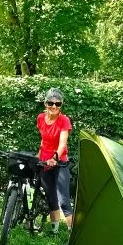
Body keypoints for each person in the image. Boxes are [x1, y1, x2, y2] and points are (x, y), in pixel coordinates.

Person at [37, 87, 73, 234]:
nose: (54, 106)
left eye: (58, 104)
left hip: (59, 162)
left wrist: (54, 158)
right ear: (45, 103)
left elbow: (62, 144)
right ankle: (55, 231)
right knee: (51, 197)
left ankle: (73, 234)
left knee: (63, 199)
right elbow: (43, 140)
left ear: (61, 105)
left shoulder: (64, 121)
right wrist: (38, 156)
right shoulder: (40, 118)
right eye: (51, 103)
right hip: (44, 162)